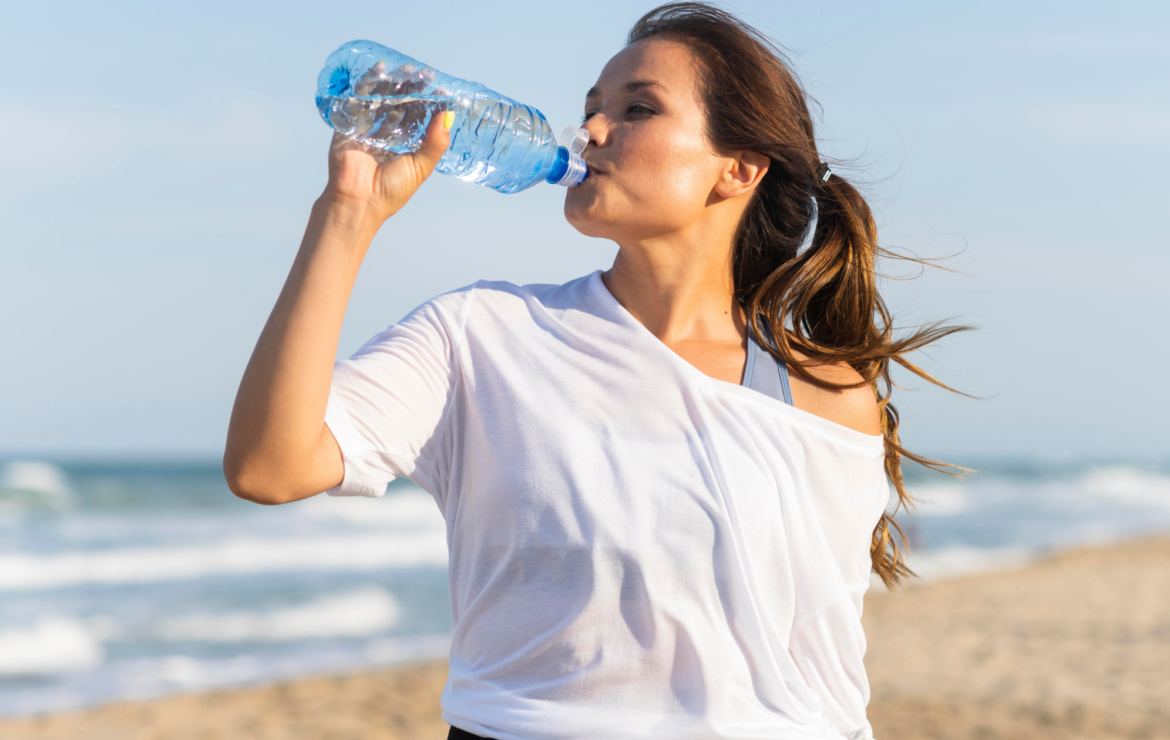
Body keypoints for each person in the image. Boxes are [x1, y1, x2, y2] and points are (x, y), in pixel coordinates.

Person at [224, 3, 964, 738]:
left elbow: (817, 673)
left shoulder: (825, 394)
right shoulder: (479, 336)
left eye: (637, 109)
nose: (592, 132)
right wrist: (347, 213)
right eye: (590, 110)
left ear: (738, 168)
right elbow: (269, 466)